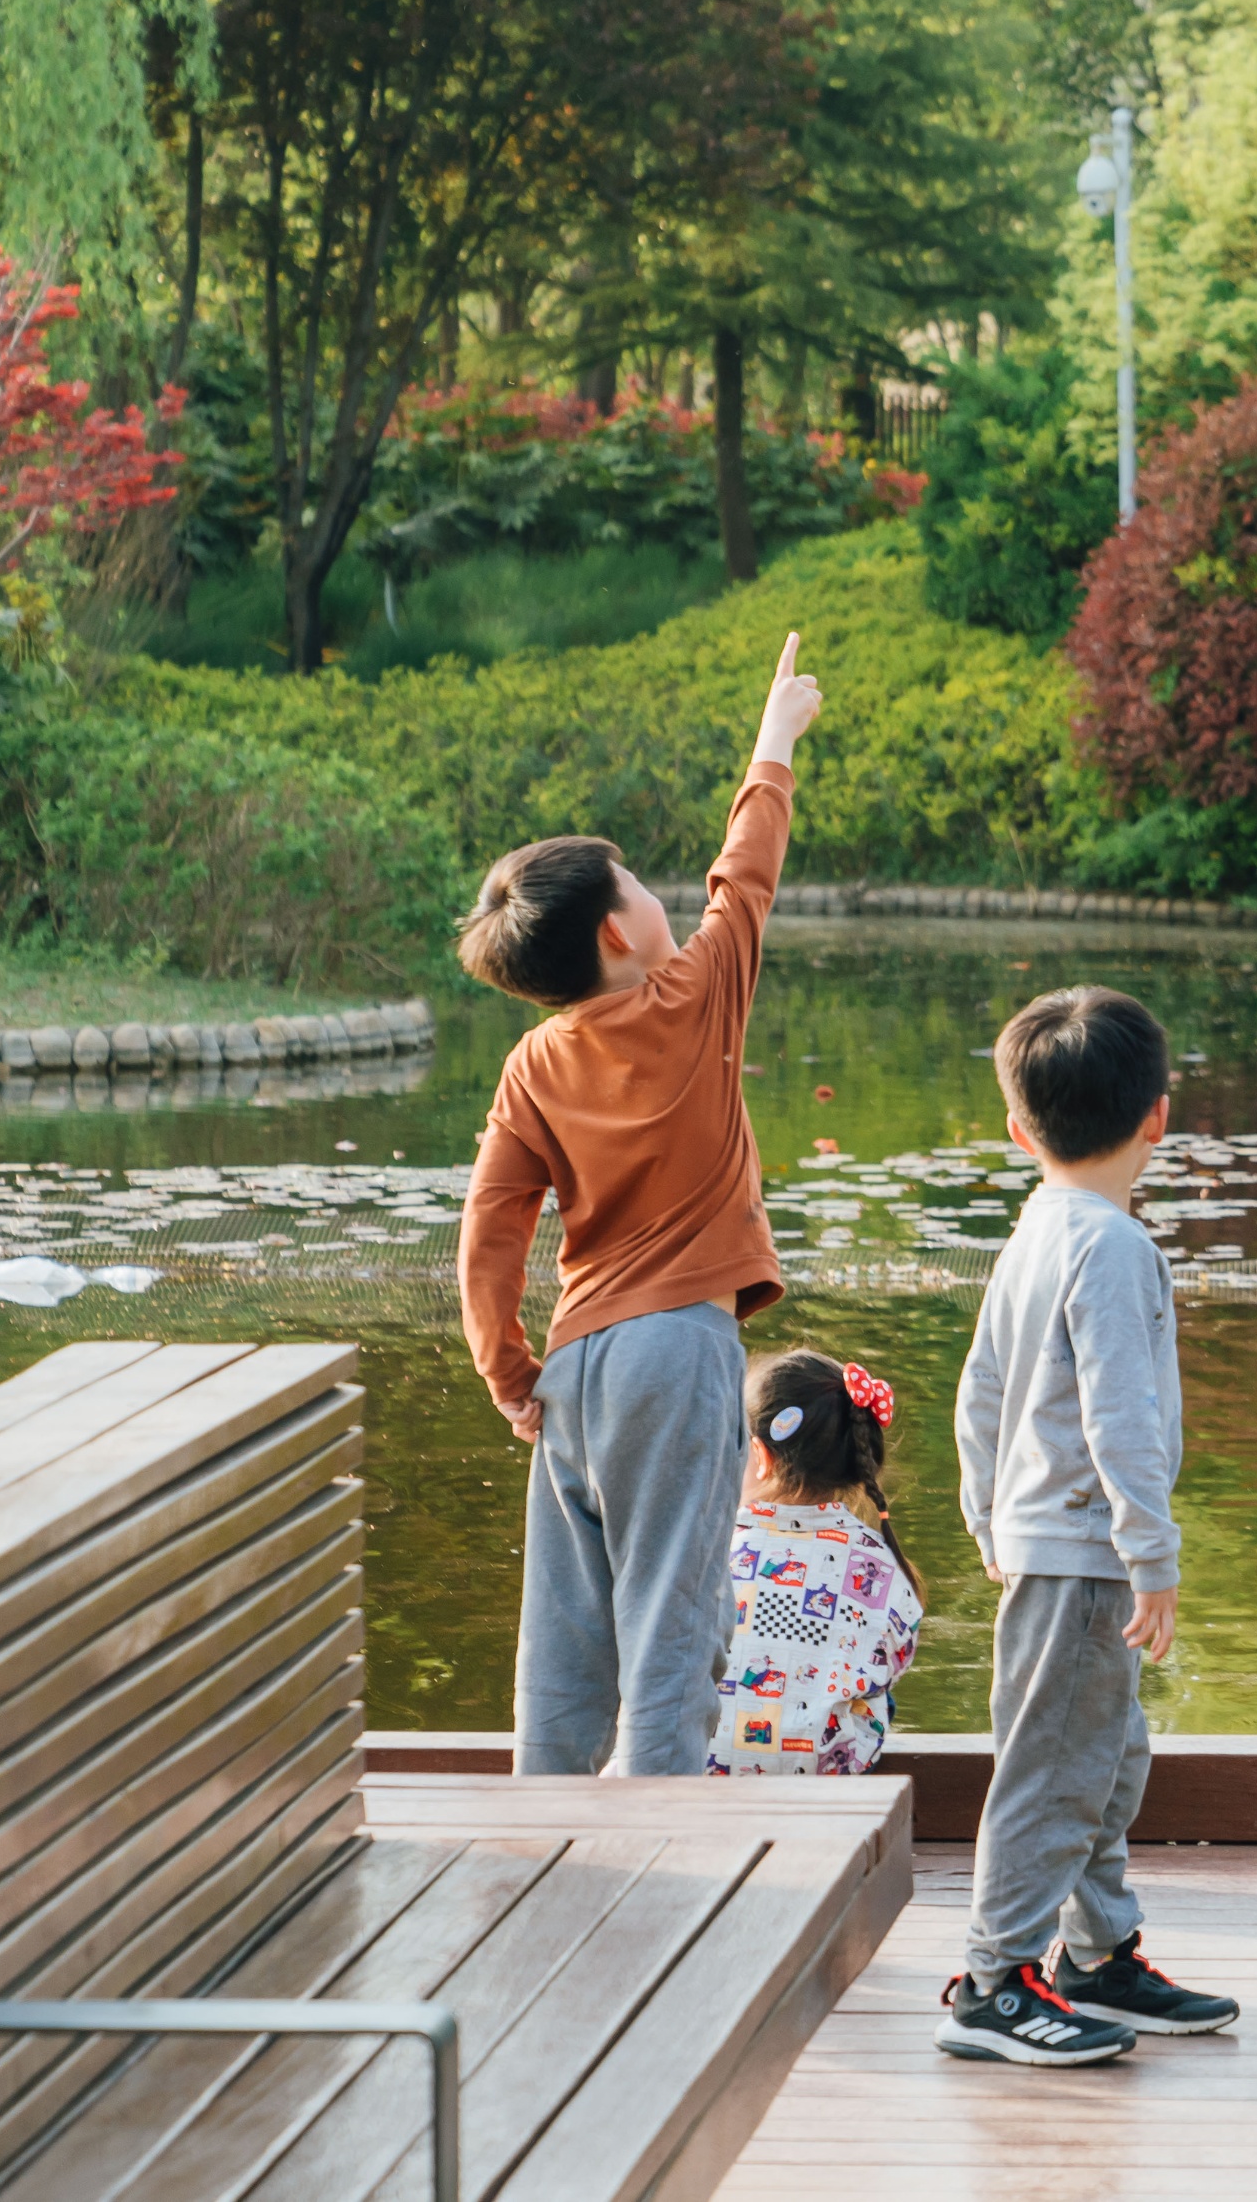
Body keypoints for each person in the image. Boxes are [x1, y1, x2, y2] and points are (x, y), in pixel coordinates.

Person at [456, 633, 823, 1776]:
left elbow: (491, 1233)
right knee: (674, 1626)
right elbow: (746, 871)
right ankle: (657, 1883)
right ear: (619, 930)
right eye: (636, 885)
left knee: (564, 1644)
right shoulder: (695, 993)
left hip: (577, 1364)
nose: (662, 896)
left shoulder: (533, 1062)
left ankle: (546, 1845)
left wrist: (510, 1373)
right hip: (677, 1349)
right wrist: (775, 741)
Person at [941, 985, 1240, 2067]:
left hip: (1046, 1538)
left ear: (1022, 1132)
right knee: (1057, 1767)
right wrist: (1150, 1552)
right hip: (1083, 1548)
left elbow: (977, 1389)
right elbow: (1121, 1413)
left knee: (1105, 1754)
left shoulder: (1037, 1227)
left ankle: (1095, 1951)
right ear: (1159, 1115)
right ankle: (992, 1978)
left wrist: (985, 1509)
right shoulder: (1111, 1246)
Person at [713, 1348, 925, 1777]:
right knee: (872, 1682)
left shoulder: (713, 1544)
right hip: (817, 1777)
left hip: (705, 1768)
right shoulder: (878, 1562)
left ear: (760, 1455)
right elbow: (896, 1657)